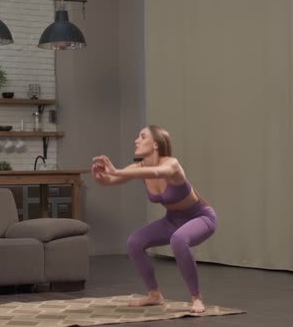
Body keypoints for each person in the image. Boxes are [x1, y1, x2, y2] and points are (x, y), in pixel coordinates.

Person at [91, 125, 217, 313]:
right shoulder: (139, 167)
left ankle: (196, 297)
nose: (136, 140)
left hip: (201, 217)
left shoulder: (172, 164)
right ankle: (154, 295)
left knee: (179, 239)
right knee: (135, 242)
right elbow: (110, 180)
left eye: (142, 137)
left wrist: (116, 171)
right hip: (172, 220)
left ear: (156, 144)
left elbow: (157, 172)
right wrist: (101, 177)